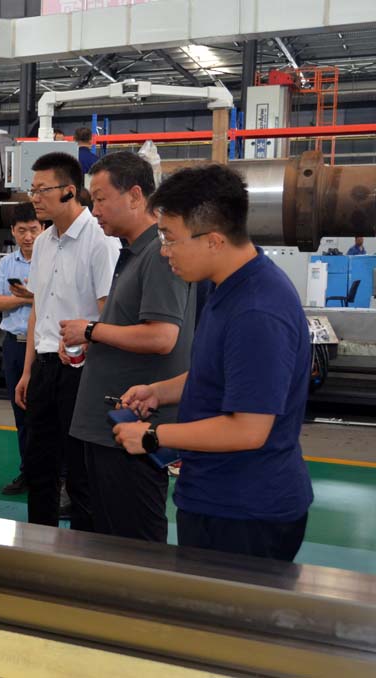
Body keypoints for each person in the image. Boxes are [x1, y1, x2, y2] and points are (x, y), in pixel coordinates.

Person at [113, 164, 313, 562]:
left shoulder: (257, 310)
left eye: (170, 238)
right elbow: (221, 372)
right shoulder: (228, 286)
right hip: (218, 496)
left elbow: (249, 429)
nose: (164, 251)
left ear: (214, 241)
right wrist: (159, 392)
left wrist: (153, 436)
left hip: (245, 512)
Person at [65, 152, 195, 543]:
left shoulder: (158, 254)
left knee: (134, 542)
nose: (95, 210)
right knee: (105, 535)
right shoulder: (132, 253)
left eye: (101, 199)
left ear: (136, 195)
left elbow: (161, 337)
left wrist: (92, 331)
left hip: (130, 425)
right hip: (109, 427)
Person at [14, 152, 120, 530]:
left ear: (69, 191)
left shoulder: (100, 242)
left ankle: (82, 552)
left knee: (80, 472)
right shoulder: (43, 243)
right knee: (39, 466)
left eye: (42, 190)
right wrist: (28, 371)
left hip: (82, 371)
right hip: (45, 367)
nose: (35, 198)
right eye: (32, 190)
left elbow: (109, 313)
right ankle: (38, 545)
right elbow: (38, 311)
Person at [0, 202, 43, 495]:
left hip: (43, 349)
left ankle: (53, 476)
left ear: (43, 228)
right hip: (13, 346)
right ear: (12, 231)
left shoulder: (50, 259)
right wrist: (27, 298)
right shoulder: (8, 263)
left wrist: (24, 296)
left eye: (33, 229)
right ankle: (28, 472)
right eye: (22, 230)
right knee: (20, 413)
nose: (28, 236)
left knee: (44, 416)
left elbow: (56, 298)